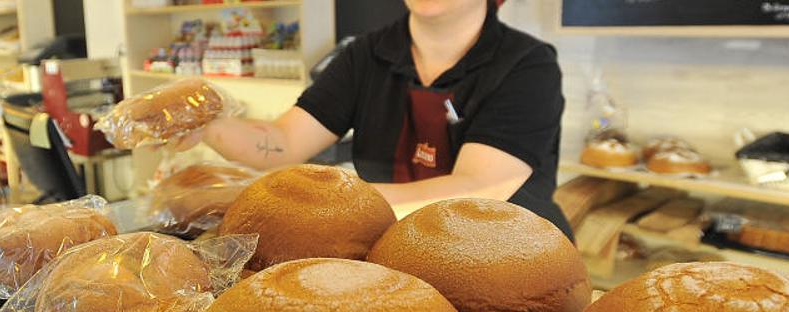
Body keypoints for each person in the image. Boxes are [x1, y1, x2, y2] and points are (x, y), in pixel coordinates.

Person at [185, 0, 572, 237]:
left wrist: (332, 204)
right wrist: (204, 125)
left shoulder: (527, 66)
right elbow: (284, 142)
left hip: (506, 260)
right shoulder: (366, 55)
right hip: (395, 250)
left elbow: (478, 188)